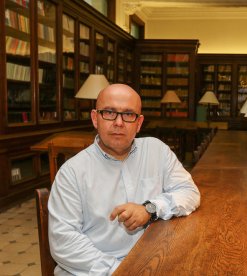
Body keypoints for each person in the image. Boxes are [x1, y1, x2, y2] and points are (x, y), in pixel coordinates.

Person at [48, 84, 201, 275]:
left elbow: (189, 192)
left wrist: (149, 209)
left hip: (152, 259)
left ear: (139, 123)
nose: (119, 122)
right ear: (95, 118)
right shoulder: (71, 172)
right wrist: (121, 270)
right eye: (109, 112)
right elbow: (64, 242)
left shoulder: (157, 151)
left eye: (128, 114)